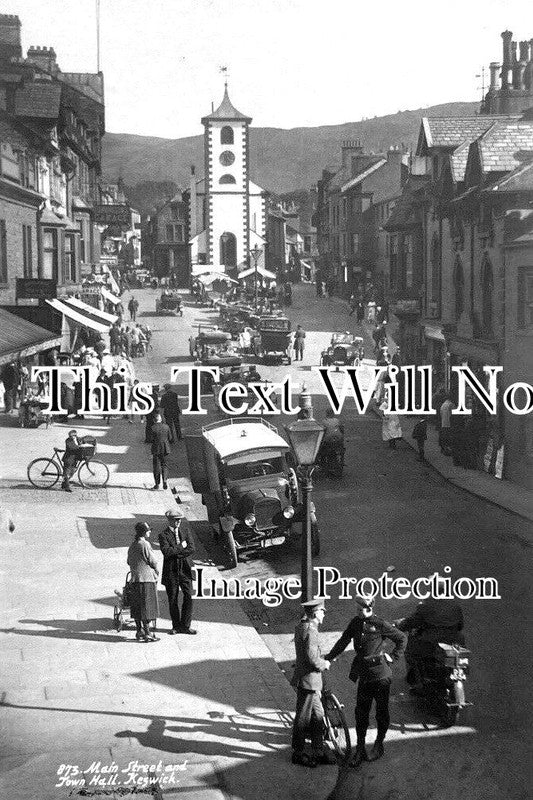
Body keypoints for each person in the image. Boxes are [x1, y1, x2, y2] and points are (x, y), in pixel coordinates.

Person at [326, 595, 406, 767]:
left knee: (381, 713)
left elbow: (402, 639)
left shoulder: (379, 624)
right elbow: (343, 641)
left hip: (381, 676)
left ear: (369, 609)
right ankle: (360, 748)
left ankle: (379, 744)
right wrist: (329, 658)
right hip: (365, 676)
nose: (357, 612)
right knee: (361, 713)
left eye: (360, 610)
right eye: (356, 609)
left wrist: (393, 657)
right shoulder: (355, 623)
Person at [291, 599, 335, 768]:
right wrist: (325, 664)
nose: (324, 614)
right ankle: (298, 753)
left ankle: (318, 749)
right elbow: (312, 659)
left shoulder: (302, 626)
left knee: (318, 716)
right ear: (316, 613)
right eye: (323, 611)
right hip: (309, 681)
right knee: (303, 718)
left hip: (310, 681)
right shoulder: (311, 631)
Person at [397, 583, 465, 690]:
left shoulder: (425, 606)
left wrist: (400, 625)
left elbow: (410, 623)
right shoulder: (456, 606)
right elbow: (460, 626)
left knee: (411, 653)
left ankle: (417, 683)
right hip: (455, 643)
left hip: (431, 644)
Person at [159, 508, 196, 635]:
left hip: (185, 569)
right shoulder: (163, 535)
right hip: (171, 571)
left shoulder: (185, 531)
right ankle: (176, 626)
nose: (178, 522)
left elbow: (191, 548)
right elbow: (166, 552)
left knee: (189, 596)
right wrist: (181, 547)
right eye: (175, 520)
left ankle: (186, 625)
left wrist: (178, 553)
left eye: (179, 520)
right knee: (173, 599)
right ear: (169, 520)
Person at [127, 521, 160, 642]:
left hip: (135, 580)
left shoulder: (132, 545)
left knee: (137, 607)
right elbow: (153, 561)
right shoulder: (145, 544)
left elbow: (129, 562)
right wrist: (156, 571)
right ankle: (148, 633)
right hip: (146, 580)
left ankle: (139, 631)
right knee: (147, 607)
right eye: (148, 530)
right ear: (144, 532)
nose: (150, 532)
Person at [150, 412, 171, 490]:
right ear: (160, 419)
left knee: (156, 467)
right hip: (166, 449)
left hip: (156, 449)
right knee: (164, 465)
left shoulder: (153, 428)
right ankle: (165, 480)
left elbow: (150, 439)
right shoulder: (166, 427)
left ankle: (157, 484)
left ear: (154, 420)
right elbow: (170, 438)